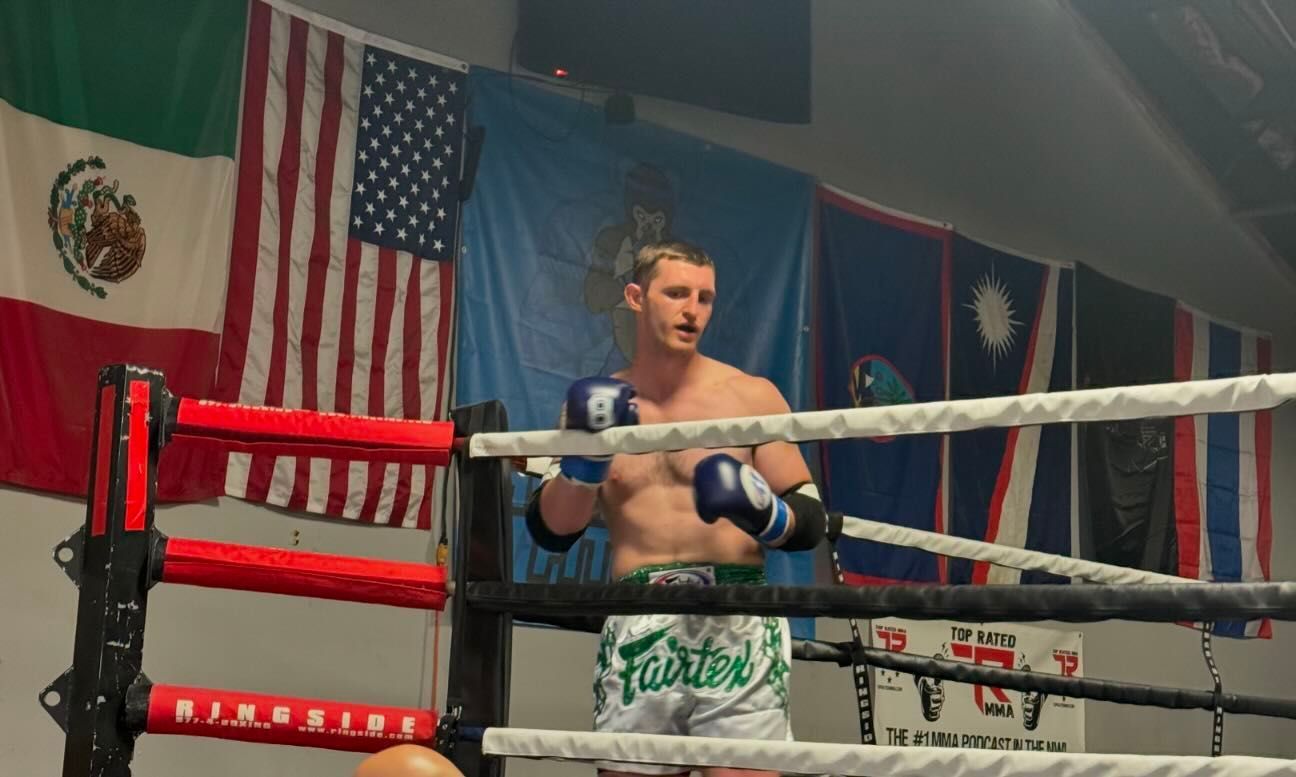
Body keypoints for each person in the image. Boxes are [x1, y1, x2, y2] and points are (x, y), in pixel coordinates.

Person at [525, 241, 832, 777]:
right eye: (677, 293)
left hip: (738, 617)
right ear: (636, 296)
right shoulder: (599, 402)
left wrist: (761, 511)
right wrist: (586, 461)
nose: (693, 310)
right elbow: (553, 530)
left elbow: (811, 519)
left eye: (705, 297)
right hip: (640, 620)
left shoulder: (750, 396)